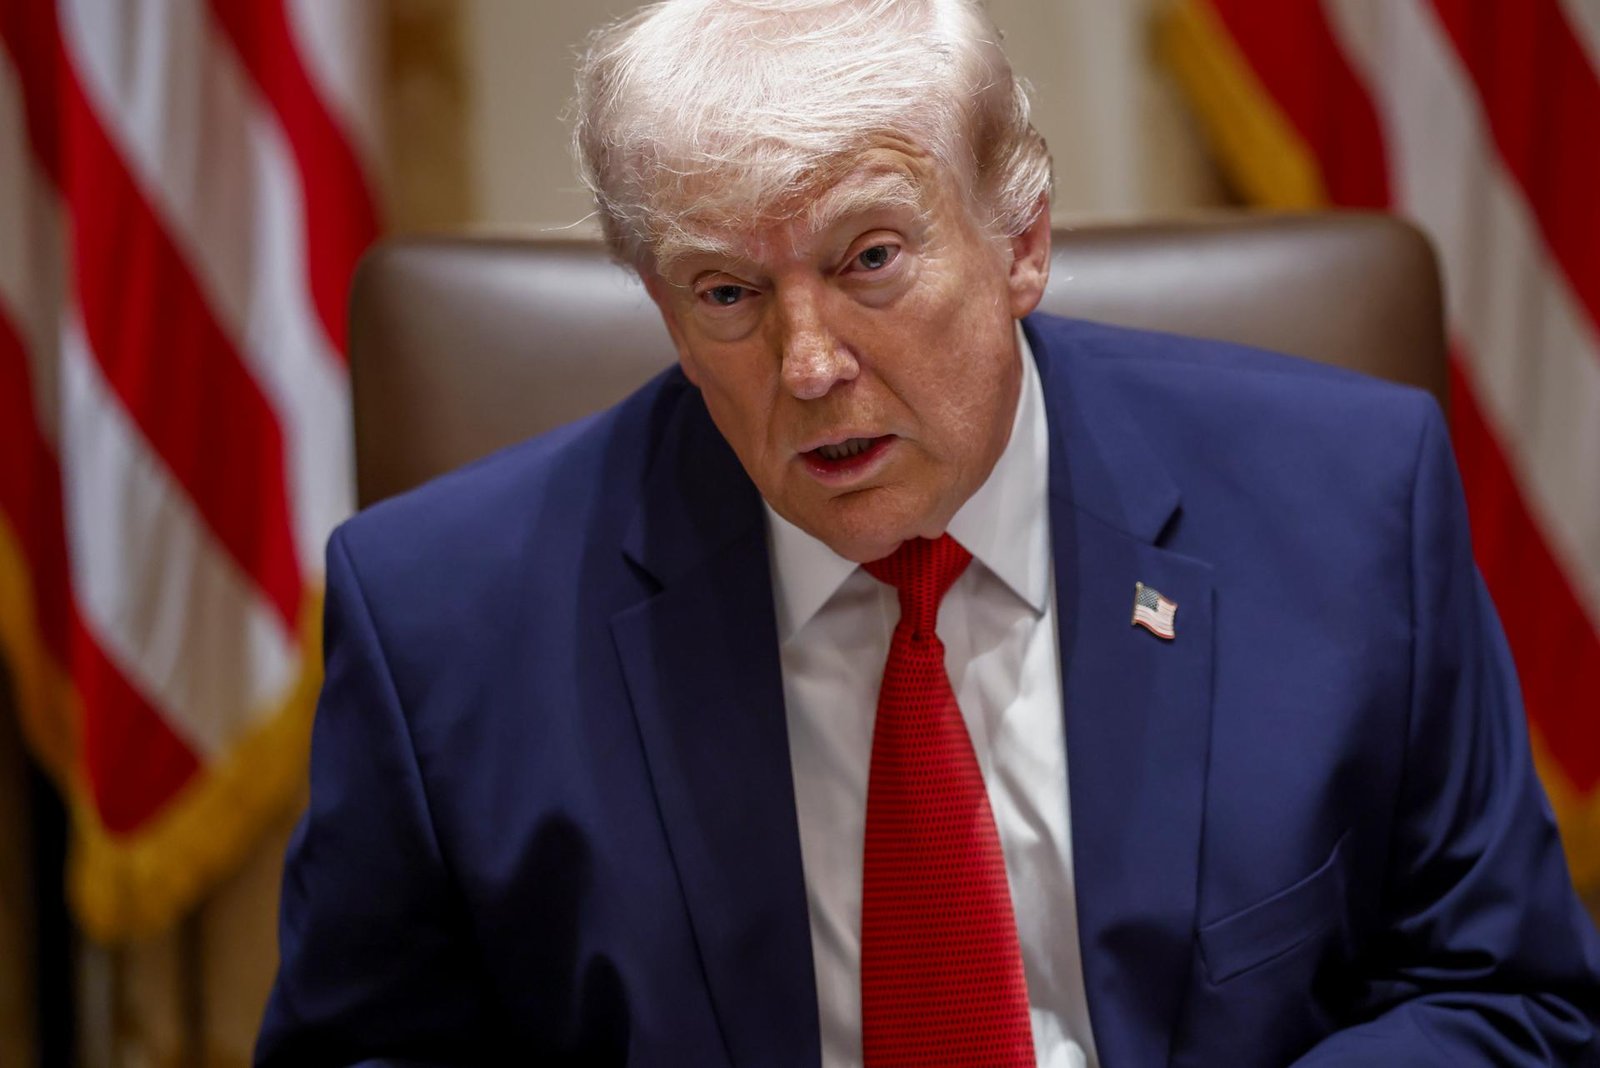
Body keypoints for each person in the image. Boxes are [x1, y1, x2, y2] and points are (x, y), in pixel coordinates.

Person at [256, 1, 1600, 1065]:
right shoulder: (440, 618)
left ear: (1021, 240)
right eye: (725, 292)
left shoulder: (1346, 505)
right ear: (661, 309)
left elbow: (1506, 992)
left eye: (870, 260)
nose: (807, 366)